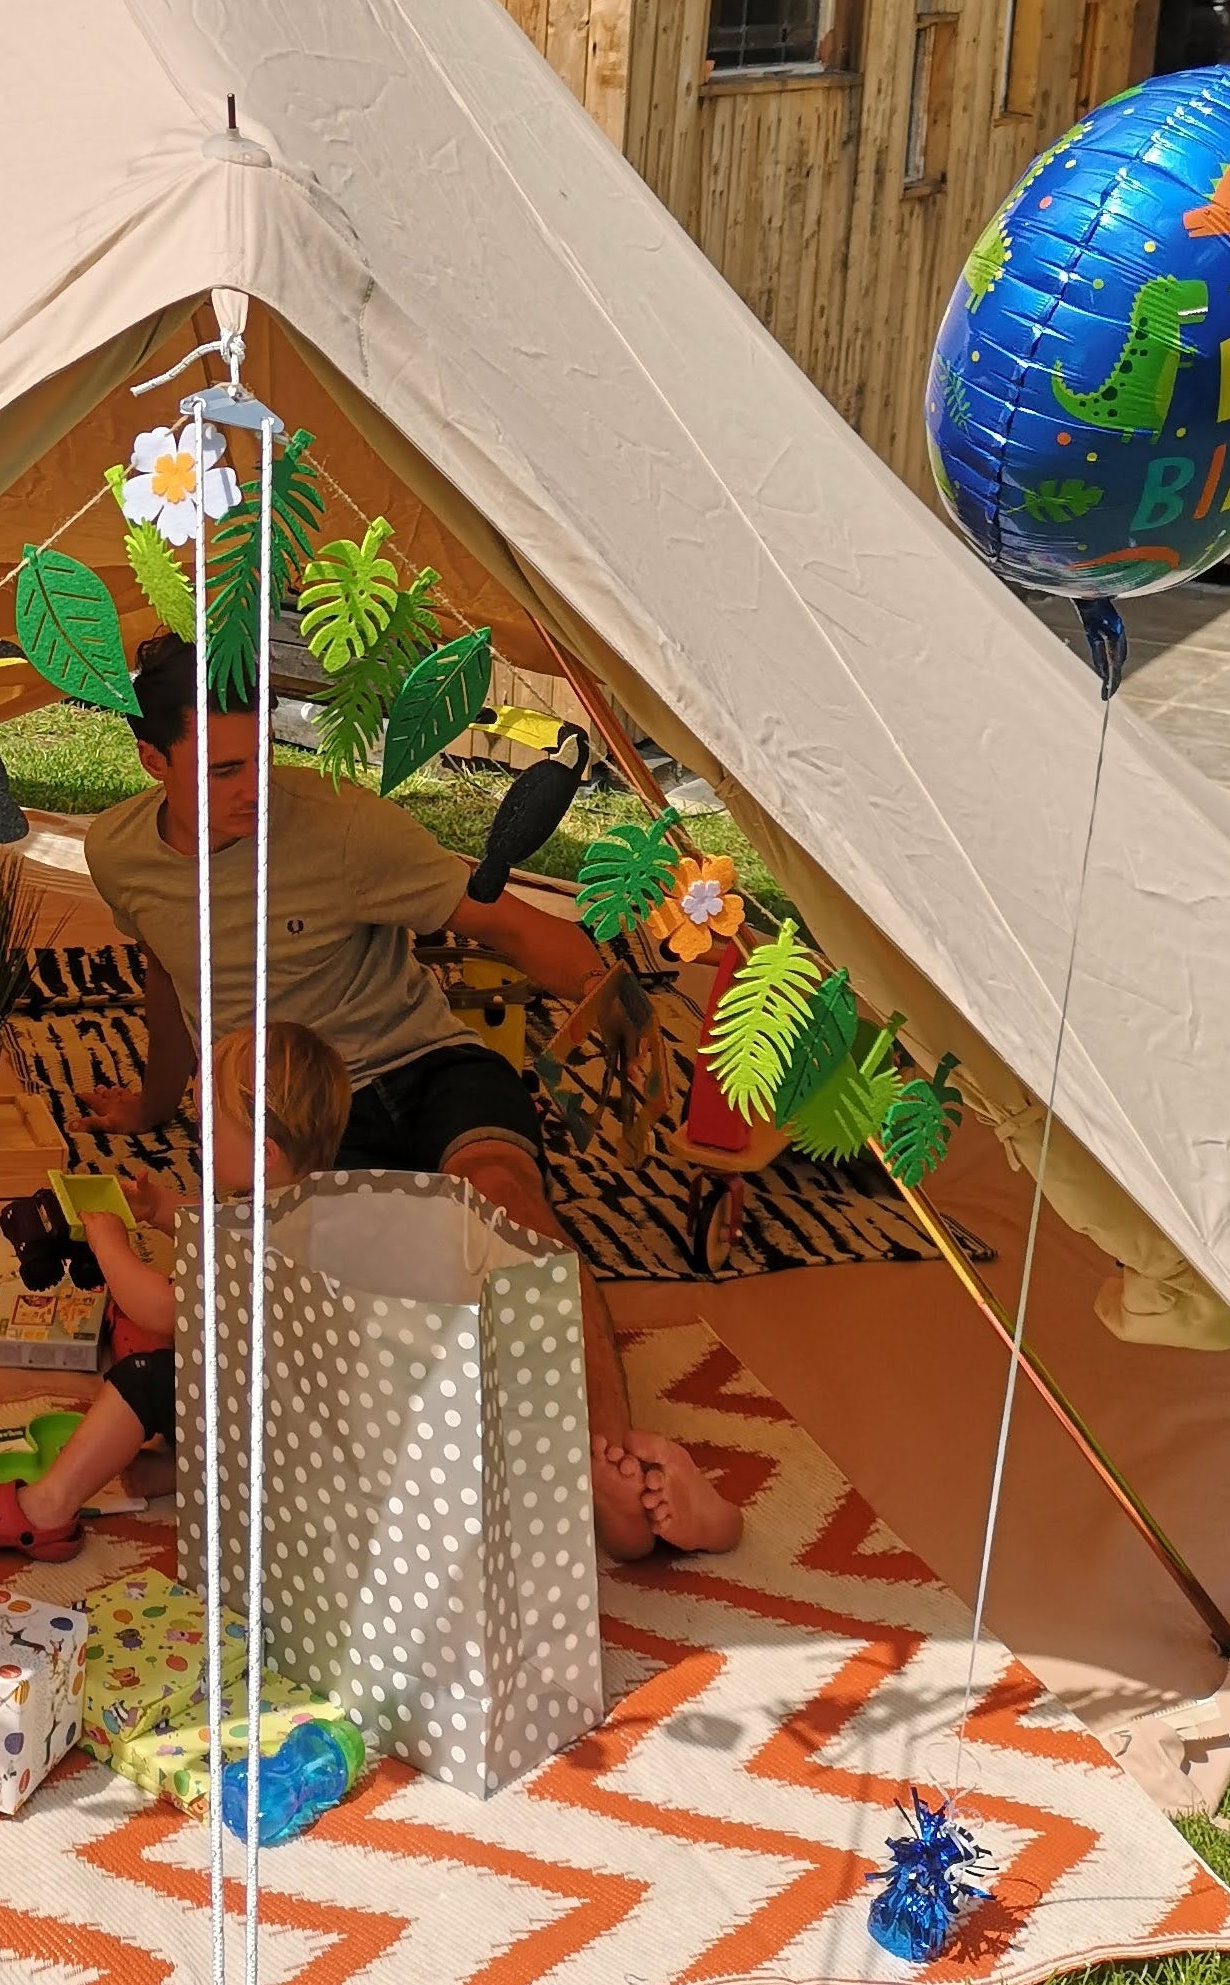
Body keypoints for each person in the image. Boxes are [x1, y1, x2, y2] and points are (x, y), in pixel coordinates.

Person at [79, 632, 741, 1561]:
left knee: (511, 1213)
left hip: (424, 1061)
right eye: (223, 770)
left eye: (262, 756)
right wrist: (155, 1101)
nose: (255, 787)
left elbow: (503, 924)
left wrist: (621, 1010)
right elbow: (165, 968)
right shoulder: (117, 853)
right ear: (154, 761)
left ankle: (617, 1472)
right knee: (325, 1305)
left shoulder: (344, 828)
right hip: (298, 1109)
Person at [0, 1022, 350, 1562]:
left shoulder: (261, 1240)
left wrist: (110, 1243)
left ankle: (46, 1509)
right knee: (145, 1342)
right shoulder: (302, 1204)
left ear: (264, 1153)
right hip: (278, 1412)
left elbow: (162, 1309)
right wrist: (161, 1209)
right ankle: (189, 1468)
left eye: (210, 1134)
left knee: (145, 1374)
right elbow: (219, 1228)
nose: (199, 1142)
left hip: (267, 1433)